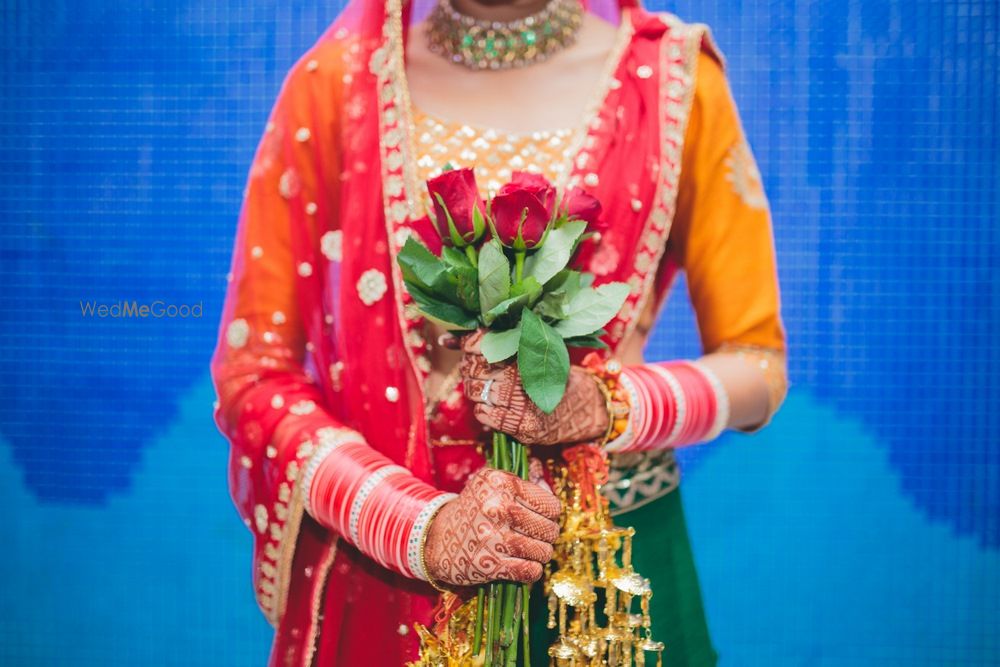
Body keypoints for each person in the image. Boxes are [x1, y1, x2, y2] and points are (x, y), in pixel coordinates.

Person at [209, 0, 788, 663]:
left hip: (610, 578)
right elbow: (254, 376)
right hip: (390, 572)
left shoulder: (676, 82)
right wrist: (416, 526)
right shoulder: (337, 84)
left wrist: (608, 404)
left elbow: (759, 367)